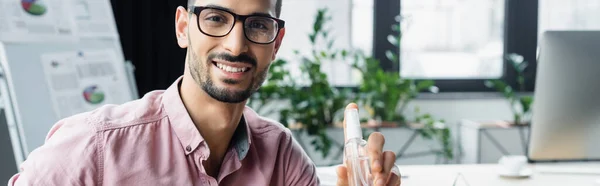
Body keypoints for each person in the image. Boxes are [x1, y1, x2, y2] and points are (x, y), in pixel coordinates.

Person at [8, 0, 401, 185]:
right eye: (216, 18)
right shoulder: (94, 148)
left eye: (258, 26)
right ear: (183, 28)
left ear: (276, 42)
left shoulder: (282, 159)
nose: (235, 45)